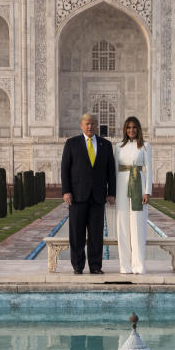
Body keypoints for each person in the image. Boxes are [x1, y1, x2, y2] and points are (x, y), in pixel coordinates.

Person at [61, 113, 116, 274]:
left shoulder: (105, 144)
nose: (90, 126)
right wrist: (66, 191)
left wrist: (111, 192)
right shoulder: (72, 143)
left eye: (92, 123)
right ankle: (78, 266)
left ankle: (95, 266)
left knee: (96, 234)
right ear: (81, 125)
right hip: (77, 196)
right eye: (87, 124)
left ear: (97, 125)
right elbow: (65, 169)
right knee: (77, 234)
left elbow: (110, 171)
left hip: (98, 197)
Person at [113, 117, 152, 274]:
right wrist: (112, 192)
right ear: (125, 129)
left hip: (138, 184)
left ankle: (138, 265)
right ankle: (125, 265)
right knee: (122, 225)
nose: (131, 130)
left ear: (138, 129)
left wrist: (147, 191)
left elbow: (148, 169)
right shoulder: (118, 147)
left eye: (134, 127)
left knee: (138, 226)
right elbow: (115, 170)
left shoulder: (145, 146)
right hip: (122, 185)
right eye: (128, 127)